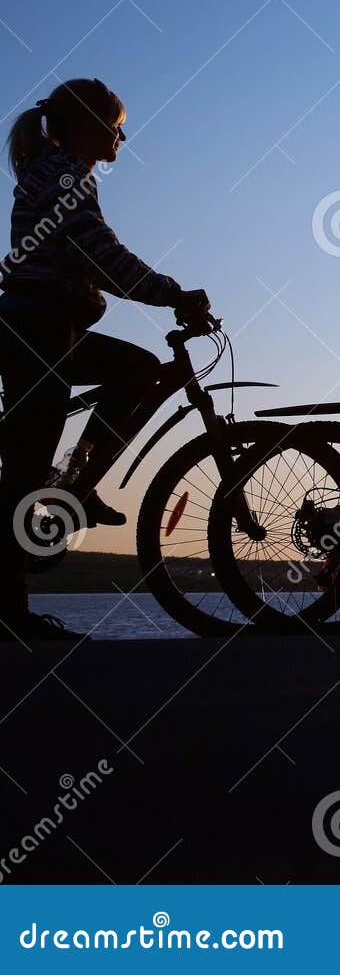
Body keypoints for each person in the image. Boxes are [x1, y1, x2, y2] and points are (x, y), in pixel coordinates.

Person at [0, 78, 211, 643]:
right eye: (117, 125)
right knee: (23, 468)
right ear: (89, 125)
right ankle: (12, 611)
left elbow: (95, 257)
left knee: (136, 370)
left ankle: (77, 486)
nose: (123, 136)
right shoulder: (65, 175)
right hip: (37, 328)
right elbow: (105, 256)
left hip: (46, 324)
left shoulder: (57, 171)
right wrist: (175, 294)